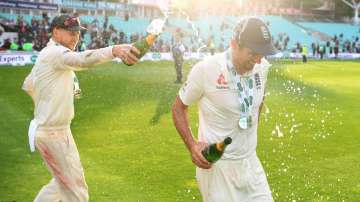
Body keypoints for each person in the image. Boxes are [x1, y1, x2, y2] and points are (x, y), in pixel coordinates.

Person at [22, 14, 139, 202]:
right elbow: (82, 60)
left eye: (77, 33)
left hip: (51, 130)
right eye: (70, 33)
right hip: (54, 133)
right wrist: (114, 50)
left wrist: (45, 107)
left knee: (61, 184)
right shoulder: (55, 53)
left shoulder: (47, 54)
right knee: (77, 193)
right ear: (56, 32)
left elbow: (28, 85)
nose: (75, 37)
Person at [172, 17, 278, 202]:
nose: (258, 59)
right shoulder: (206, 69)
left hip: (250, 162)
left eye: (262, 53)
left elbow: (259, 101)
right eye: (253, 53)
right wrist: (193, 145)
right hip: (218, 168)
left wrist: (249, 128)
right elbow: (179, 107)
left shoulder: (262, 67)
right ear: (234, 44)